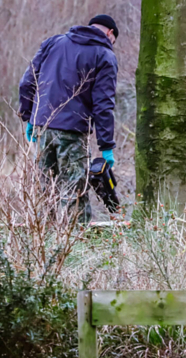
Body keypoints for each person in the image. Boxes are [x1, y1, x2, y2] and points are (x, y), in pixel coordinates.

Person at [18, 14, 119, 223]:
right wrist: (106, 145)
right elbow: (103, 105)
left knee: (45, 192)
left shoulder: (53, 43)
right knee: (74, 192)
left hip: (42, 126)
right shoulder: (104, 55)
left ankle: (42, 247)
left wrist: (30, 117)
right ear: (110, 33)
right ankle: (75, 249)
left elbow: (27, 82)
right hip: (73, 130)